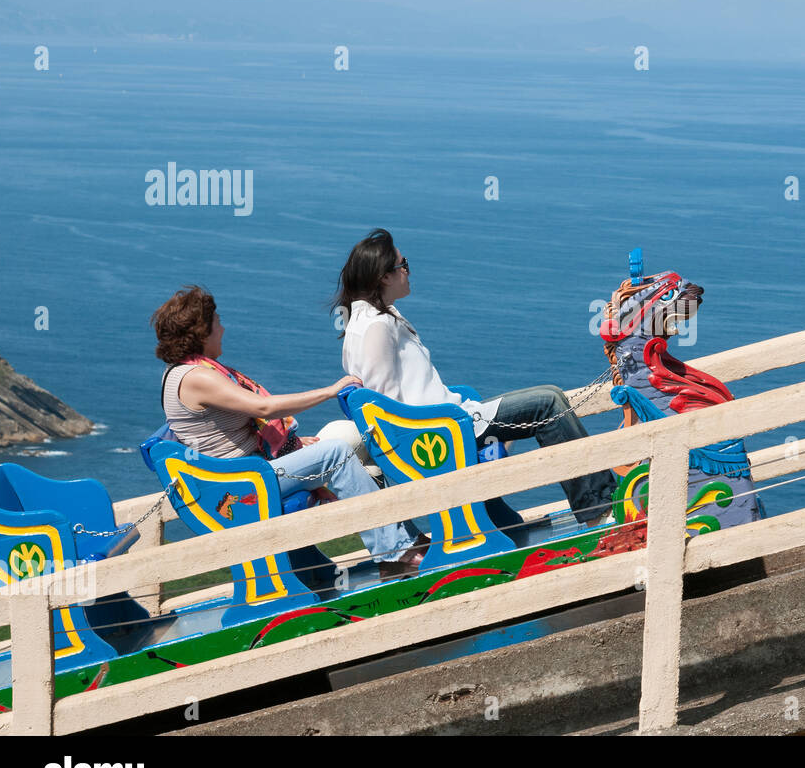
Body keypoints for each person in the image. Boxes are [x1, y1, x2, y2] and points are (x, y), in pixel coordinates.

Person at [332, 229, 618, 527]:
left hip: (447, 421)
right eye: (403, 265)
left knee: (551, 395)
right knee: (548, 404)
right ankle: (598, 508)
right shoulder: (376, 327)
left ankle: (566, 509)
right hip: (441, 430)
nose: (408, 271)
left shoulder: (363, 322)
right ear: (384, 277)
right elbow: (386, 405)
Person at [150, 286, 428, 581]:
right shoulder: (196, 378)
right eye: (216, 321)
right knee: (335, 453)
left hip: (242, 475)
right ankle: (395, 552)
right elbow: (265, 408)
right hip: (239, 486)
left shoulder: (189, 372)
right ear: (200, 332)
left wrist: (294, 446)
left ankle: (393, 545)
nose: (223, 328)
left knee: (336, 449)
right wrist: (330, 391)